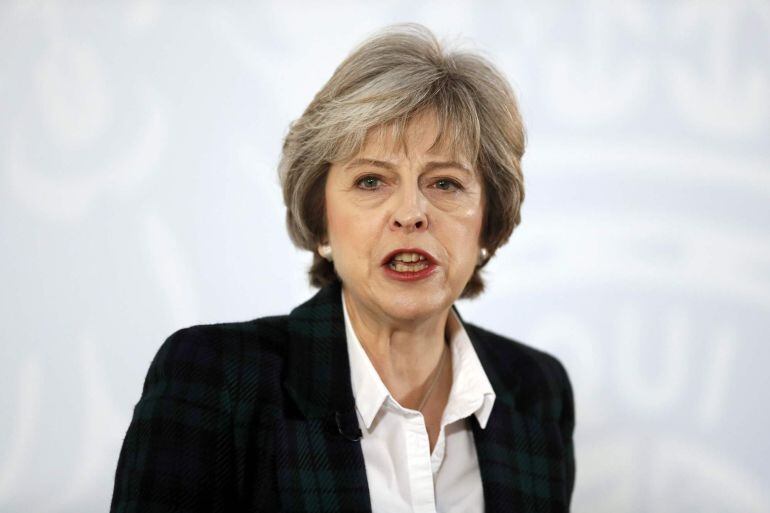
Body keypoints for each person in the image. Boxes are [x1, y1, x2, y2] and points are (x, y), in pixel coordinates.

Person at [110, 23, 575, 513]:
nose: (411, 212)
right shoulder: (216, 379)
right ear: (322, 222)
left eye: (445, 184)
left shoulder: (537, 391)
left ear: (487, 222)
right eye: (372, 180)